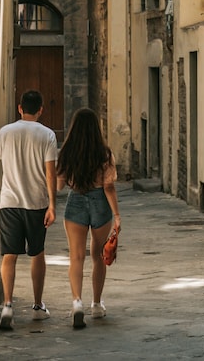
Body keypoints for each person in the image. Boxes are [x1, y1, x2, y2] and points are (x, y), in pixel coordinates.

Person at [0, 90, 58, 331]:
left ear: (19, 108)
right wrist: (53, 205)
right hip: (36, 204)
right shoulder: (47, 135)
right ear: (41, 109)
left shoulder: (6, 132)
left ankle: (7, 305)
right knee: (37, 254)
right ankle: (37, 306)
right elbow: (50, 173)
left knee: (9, 256)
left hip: (9, 203)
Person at [56, 108, 122, 329]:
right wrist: (117, 215)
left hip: (76, 202)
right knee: (98, 255)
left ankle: (77, 302)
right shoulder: (104, 153)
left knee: (76, 257)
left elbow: (58, 185)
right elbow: (109, 186)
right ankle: (96, 303)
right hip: (100, 203)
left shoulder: (66, 152)